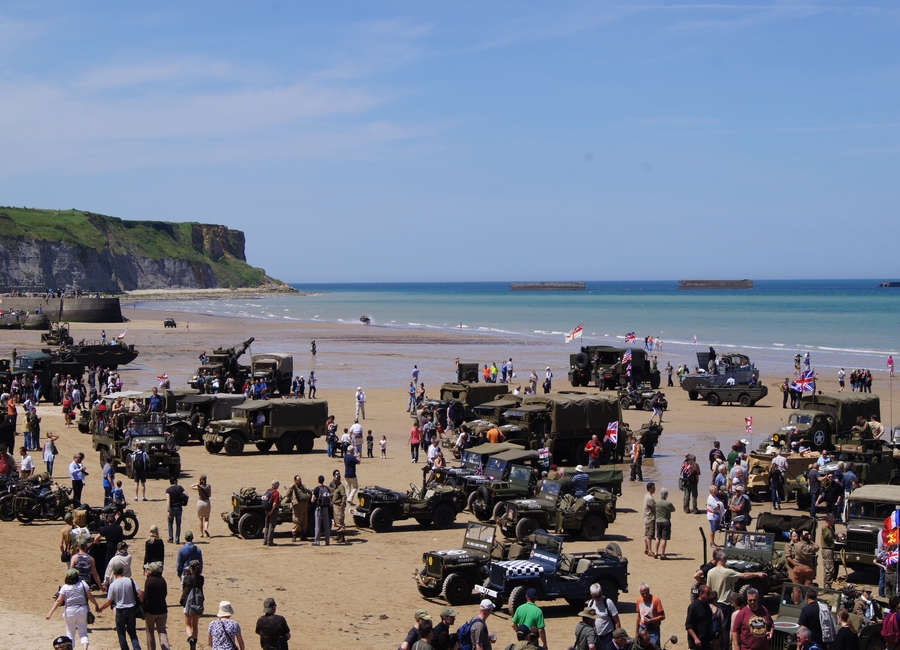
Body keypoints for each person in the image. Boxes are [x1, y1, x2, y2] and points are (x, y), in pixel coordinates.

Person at [706, 549, 766, 645]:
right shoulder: (727, 572)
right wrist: (757, 574)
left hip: (713, 604)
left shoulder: (710, 572)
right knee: (725, 629)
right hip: (724, 604)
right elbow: (744, 575)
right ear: (723, 560)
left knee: (712, 627)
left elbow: (708, 589)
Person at [47, 568, 102, 650]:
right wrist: (96, 604)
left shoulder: (64, 587)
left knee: (70, 633)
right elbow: (90, 596)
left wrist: (50, 612)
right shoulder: (83, 584)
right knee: (83, 633)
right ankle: (85, 648)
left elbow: (59, 601)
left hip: (70, 611)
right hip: (82, 610)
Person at [97, 563, 143, 650]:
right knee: (132, 632)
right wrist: (141, 604)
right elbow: (140, 593)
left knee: (122, 635)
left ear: (114, 573)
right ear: (123, 571)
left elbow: (108, 602)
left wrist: (100, 608)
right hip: (131, 609)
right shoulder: (130, 581)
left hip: (120, 610)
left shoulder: (113, 585)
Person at [142, 562, 169, 650]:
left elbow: (146, 596)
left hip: (151, 611)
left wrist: (143, 607)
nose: (147, 571)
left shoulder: (149, 581)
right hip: (162, 609)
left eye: (148, 569)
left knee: (150, 632)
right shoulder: (162, 580)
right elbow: (165, 593)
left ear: (152, 571)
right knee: (162, 631)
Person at [180, 559, 205, 650]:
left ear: (191, 568)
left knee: (188, 625)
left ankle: (190, 640)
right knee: (195, 625)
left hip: (189, 602)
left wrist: (182, 602)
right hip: (198, 602)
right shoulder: (201, 578)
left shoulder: (187, 578)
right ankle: (194, 641)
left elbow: (184, 590)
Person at [588, 582, 621, 647]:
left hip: (608, 636)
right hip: (596, 636)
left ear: (602, 592)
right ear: (591, 595)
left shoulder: (608, 602)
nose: (598, 598)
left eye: (599, 596)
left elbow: (617, 621)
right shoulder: (590, 604)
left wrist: (617, 636)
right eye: (595, 597)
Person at [284, 474, 311, 543]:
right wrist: (290, 487)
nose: (300, 481)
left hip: (304, 506)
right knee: (297, 522)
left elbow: (308, 491)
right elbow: (287, 495)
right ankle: (294, 536)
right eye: (298, 480)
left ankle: (303, 536)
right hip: (297, 507)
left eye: (300, 480)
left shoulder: (303, 487)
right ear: (295, 481)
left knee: (304, 522)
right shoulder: (293, 487)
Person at [686, 585, 714, 650]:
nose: (709, 595)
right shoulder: (693, 607)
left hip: (706, 641)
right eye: (707, 594)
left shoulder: (707, 606)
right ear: (701, 594)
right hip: (698, 642)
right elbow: (688, 625)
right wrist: (695, 638)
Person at [654, 488, 676, 560]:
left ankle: (656, 553)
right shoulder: (668, 503)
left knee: (658, 537)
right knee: (664, 538)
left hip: (658, 521)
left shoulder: (657, 502)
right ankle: (662, 554)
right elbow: (673, 509)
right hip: (666, 521)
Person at [311, 475, 332, 546]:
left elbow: (312, 500)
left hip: (319, 508)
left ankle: (317, 541)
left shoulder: (317, 489)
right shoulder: (327, 488)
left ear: (318, 480)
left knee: (317, 524)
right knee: (326, 524)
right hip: (326, 507)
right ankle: (327, 541)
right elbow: (330, 498)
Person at [166, 477, 186, 544]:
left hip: (172, 508)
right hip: (179, 508)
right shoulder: (180, 488)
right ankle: (177, 539)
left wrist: (168, 511)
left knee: (170, 524)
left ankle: (171, 538)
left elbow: (168, 501)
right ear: (175, 481)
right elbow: (186, 495)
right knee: (178, 524)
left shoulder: (168, 490)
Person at [329, 469, 347, 543]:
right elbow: (335, 493)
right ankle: (338, 535)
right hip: (335, 505)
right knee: (336, 521)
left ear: (339, 480)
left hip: (339, 506)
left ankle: (342, 537)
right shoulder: (336, 486)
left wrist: (343, 503)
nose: (334, 481)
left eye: (335, 480)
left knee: (340, 521)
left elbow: (343, 495)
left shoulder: (341, 487)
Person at [644, 483, 657, 557]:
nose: (654, 489)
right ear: (650, 489)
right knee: (650, 535)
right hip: (650, 518)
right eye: (653, 488)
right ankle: (649, 550)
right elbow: (655, 508)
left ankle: (646, 549)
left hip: (646, 517)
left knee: (646, 534)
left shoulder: (646, 496)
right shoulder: (650, 498)